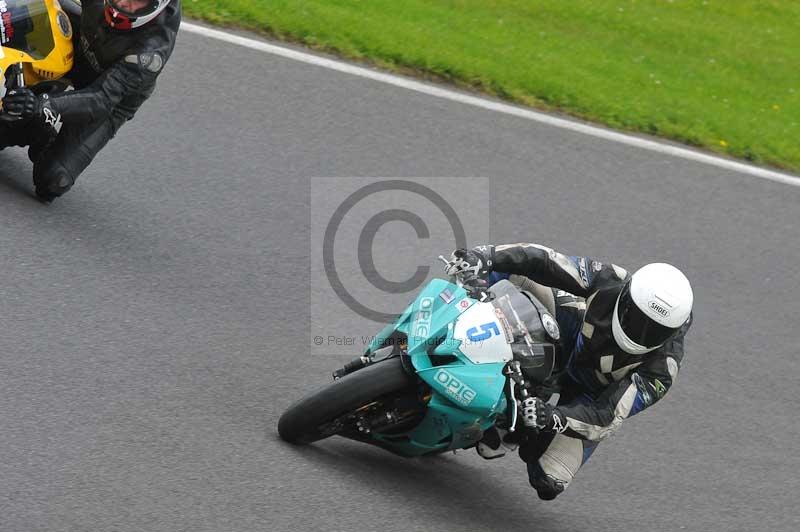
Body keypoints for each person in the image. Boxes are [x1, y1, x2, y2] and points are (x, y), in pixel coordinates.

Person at [443, 243, 693, 500]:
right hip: (573, 334)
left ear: (671, 332)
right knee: (502, 272)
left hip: (588, 395)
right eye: (638, 319)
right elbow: (546, 261)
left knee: (549, 480)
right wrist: (487, 256)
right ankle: (444, 325)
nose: (641, 332)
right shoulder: (611, 280)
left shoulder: (662, 371)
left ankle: (511, 425)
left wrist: (553, 417)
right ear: (627, 298)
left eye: (655, 330)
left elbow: (606, 416)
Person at [0, 0, 181, 202]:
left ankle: (37, 130)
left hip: (111, 98)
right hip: (86, 38)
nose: (123, 2)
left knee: (52, 180)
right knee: (23, 9)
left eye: (136, 0)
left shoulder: (151, 51)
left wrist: (41, 105)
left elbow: (100, 98)